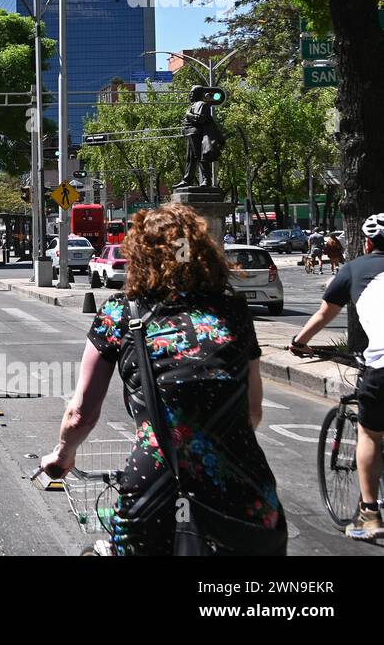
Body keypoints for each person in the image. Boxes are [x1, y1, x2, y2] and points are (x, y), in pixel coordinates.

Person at [42, 203, 286, 556]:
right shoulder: (232, 310)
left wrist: (63, 454)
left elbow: (80, 413)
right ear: (202, 254)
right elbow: (253, 412)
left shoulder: (119, 313)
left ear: (138, 257)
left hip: (157, 486)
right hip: (247, 485)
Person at [292, 212, 384, 540]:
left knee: (371, 435)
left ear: (368, 243)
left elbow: (325, 312)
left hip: (380, 367)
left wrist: (299, 343)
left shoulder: (353, 269)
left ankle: (369, 515)